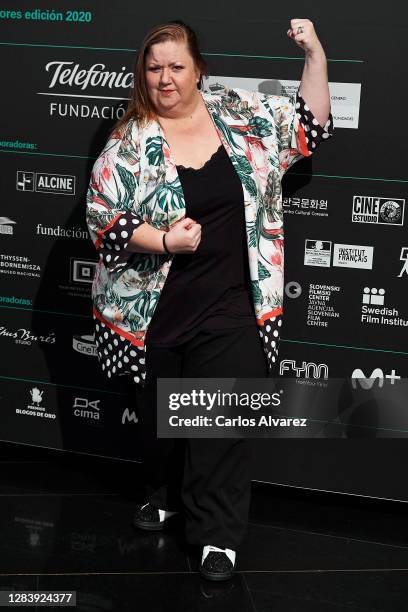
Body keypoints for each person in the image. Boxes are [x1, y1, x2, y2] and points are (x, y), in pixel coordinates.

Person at [86, 18, 333, 581]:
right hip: (152, 311)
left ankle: (217, 536)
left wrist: (314, 54)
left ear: (199, 69)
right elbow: (103, 221)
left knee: (219, 421)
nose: (165, 79)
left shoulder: (240, 115)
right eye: (154, 68)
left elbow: (309, 126)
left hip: (234, 305)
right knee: (164, 426)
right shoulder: (128, 142)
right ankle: (170, 493)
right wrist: (166, 239)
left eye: (176, 66)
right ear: (142, 77)